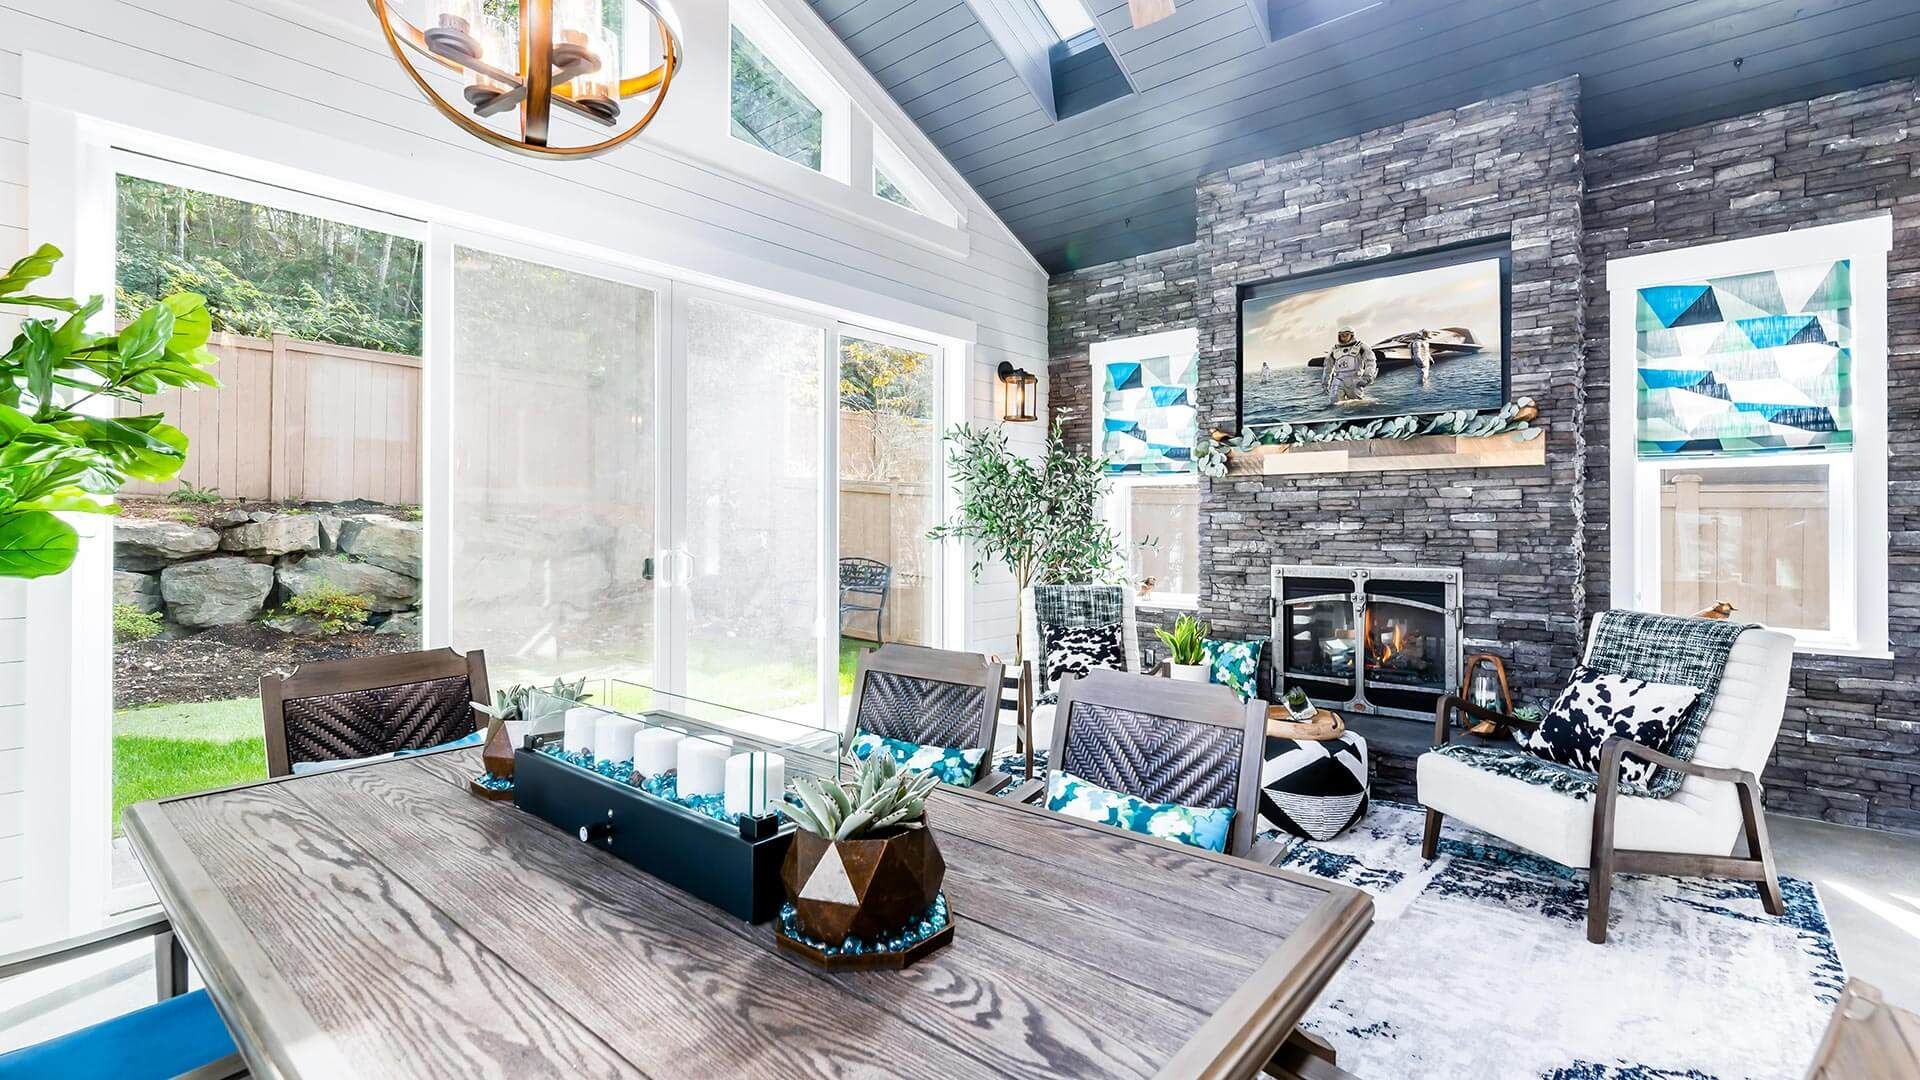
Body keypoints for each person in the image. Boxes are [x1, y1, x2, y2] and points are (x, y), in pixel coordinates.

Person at [1323, 326, 1376, 405]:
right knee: (1334, 403)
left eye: (1346, 334)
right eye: (1342, 335)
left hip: (1354, 380)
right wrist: (1325, 382)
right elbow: (1328, 367)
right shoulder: (1334, 349)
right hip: (1338, 380)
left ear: (1352, 335)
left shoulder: (1361, 346)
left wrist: (1367, 376)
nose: (1344, 337)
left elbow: (1370, 362)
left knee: (1358, 404)